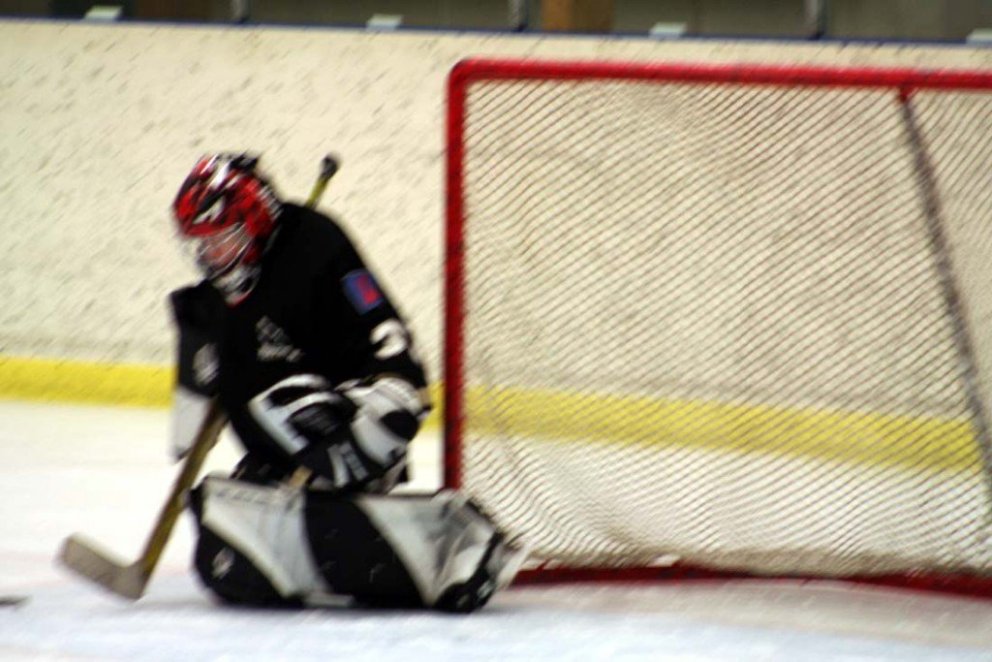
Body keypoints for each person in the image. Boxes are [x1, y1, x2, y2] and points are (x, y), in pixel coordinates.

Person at [168, 153, 524, 612]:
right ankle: (355, 519)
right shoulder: (215, 299)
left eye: (221, 241)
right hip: (291, 435)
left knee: (284, 402)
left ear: (254, 222)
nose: (210, 258)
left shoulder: (315, 242)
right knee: (232, 551)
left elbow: (383, 330)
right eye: (201, 246)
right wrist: (207, 349)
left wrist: (390, 395)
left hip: (359, 409)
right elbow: (227, 393)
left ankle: (455, 540)